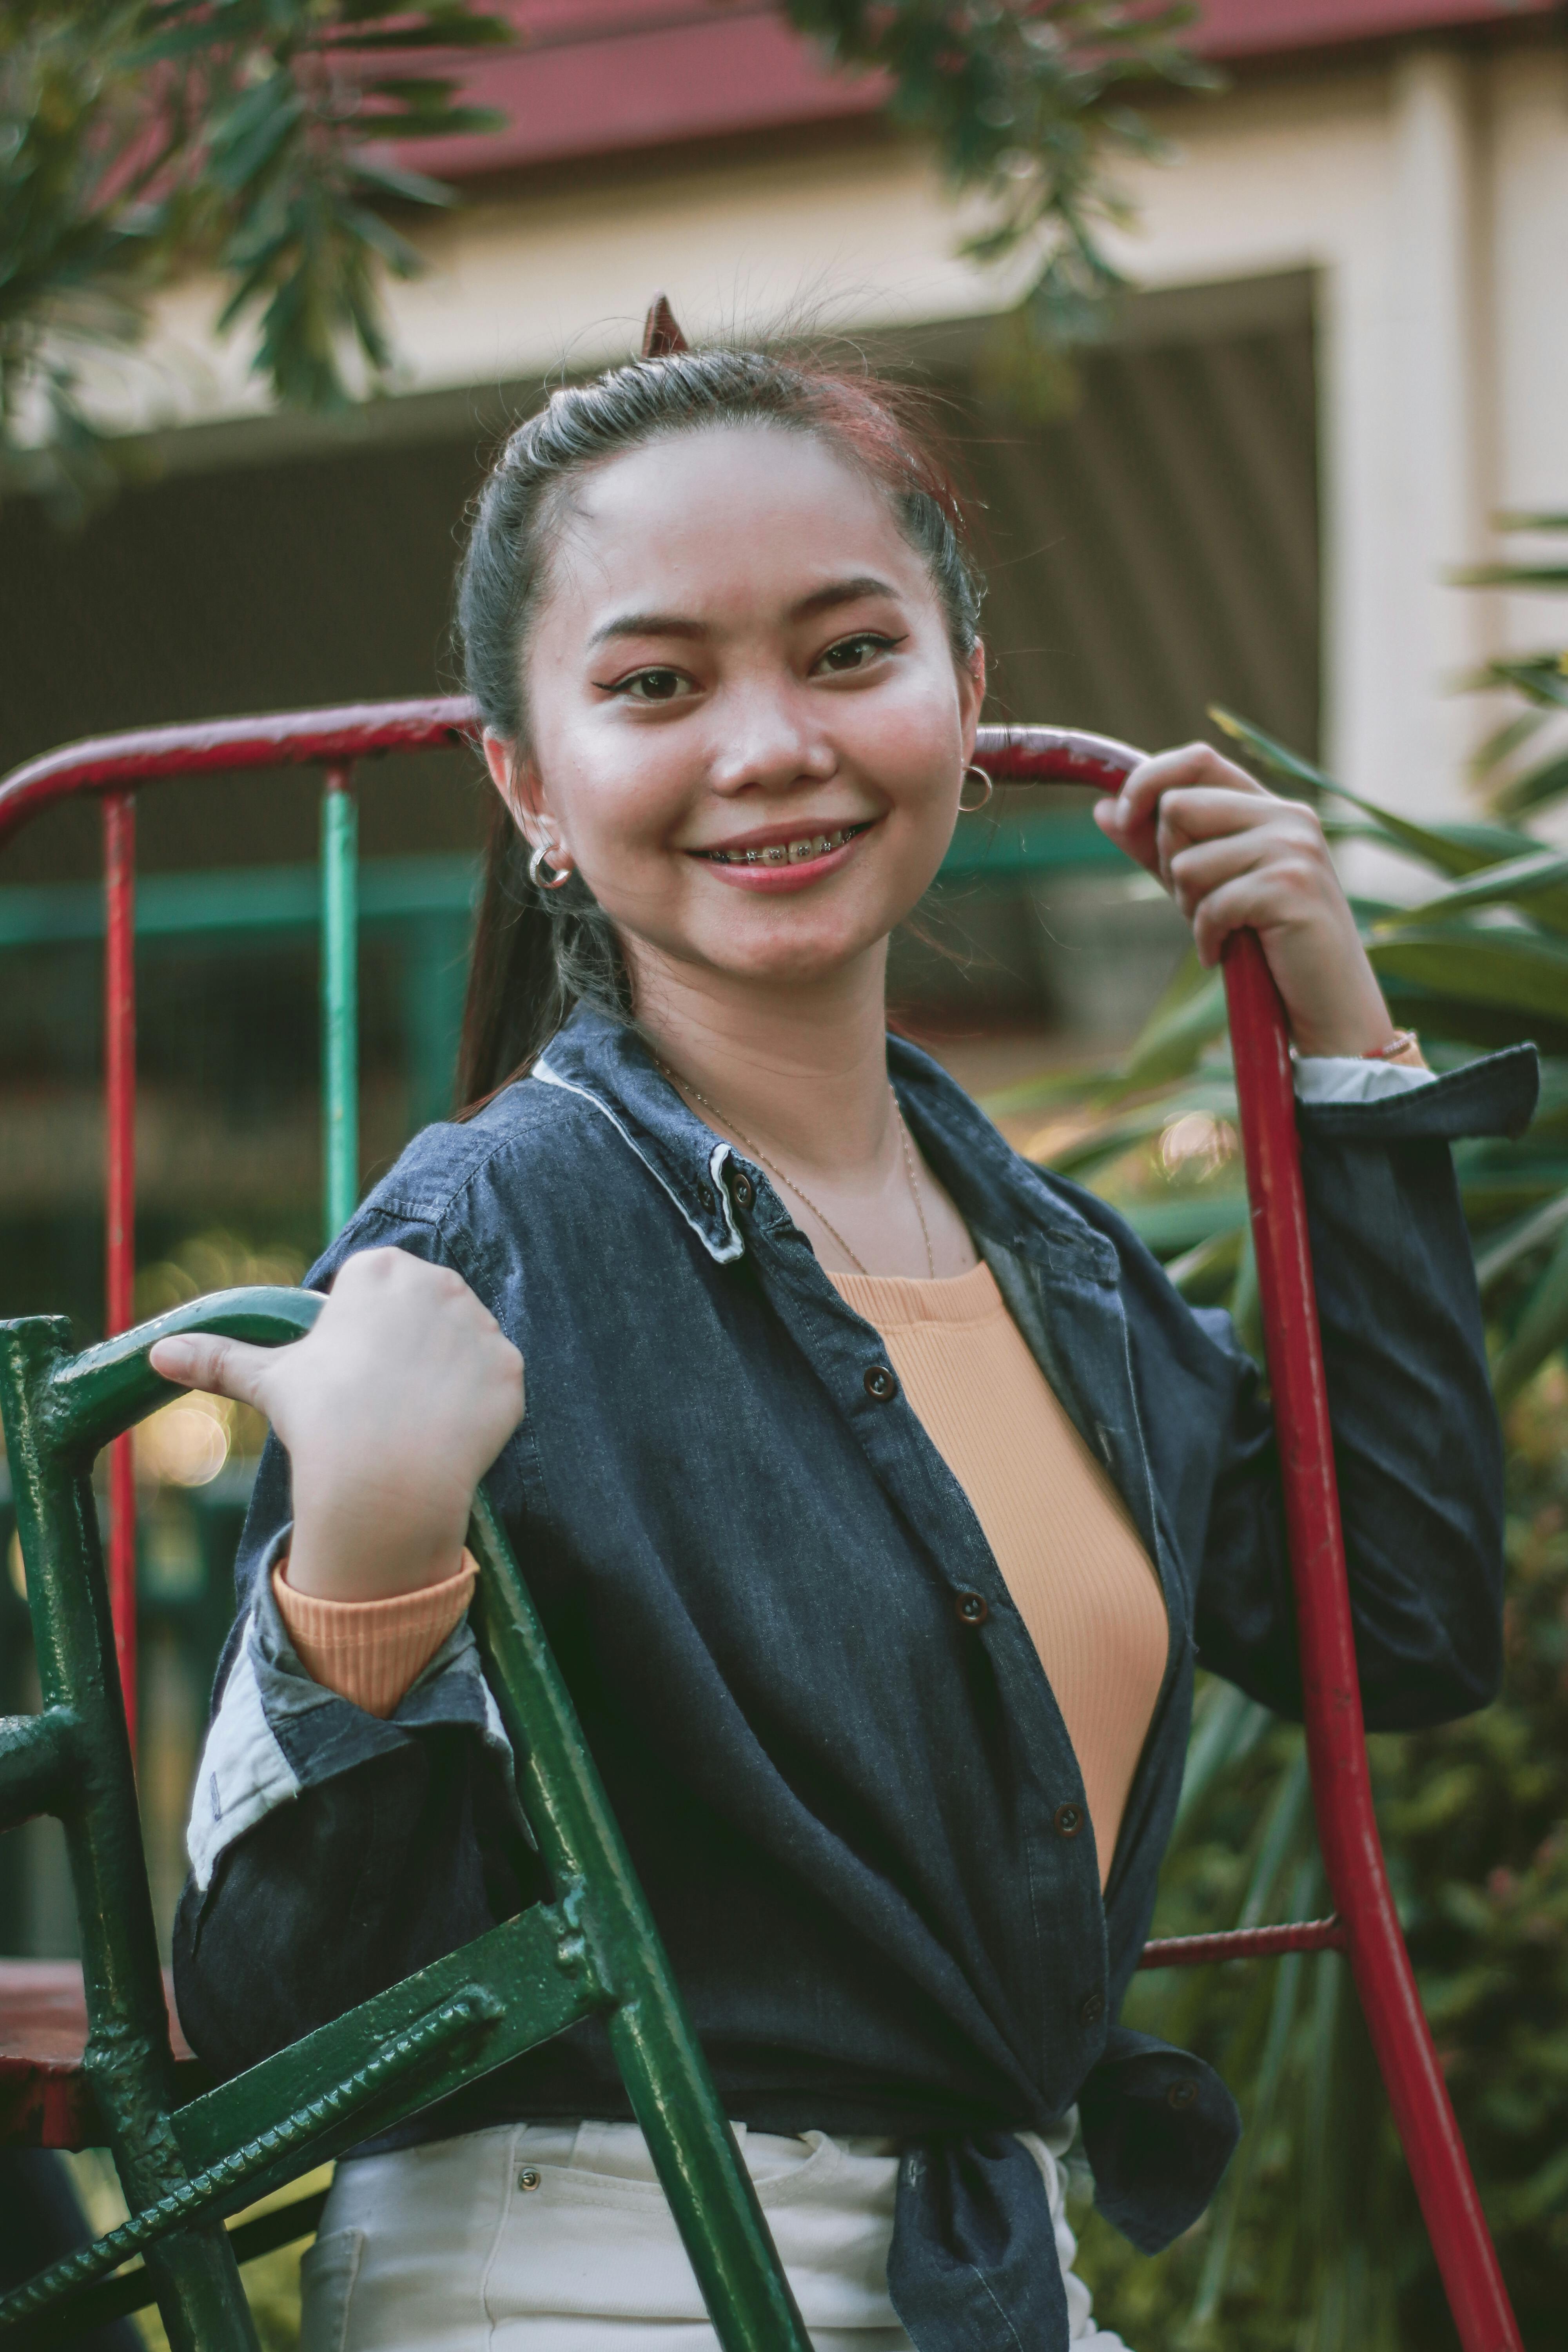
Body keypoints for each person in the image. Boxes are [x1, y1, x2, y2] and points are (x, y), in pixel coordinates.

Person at [154, 338, 1535, 2352]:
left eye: (844, 652)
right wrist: (357, 1567)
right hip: (595, 2267)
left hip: (988, 2261)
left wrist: (1347, 1046)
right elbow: (282, 2016)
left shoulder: (1049, 1256)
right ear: (528, 781)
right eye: (654, 686)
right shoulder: (480, 1248)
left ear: (965, 695)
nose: (770, 744)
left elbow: (1398, 1620)